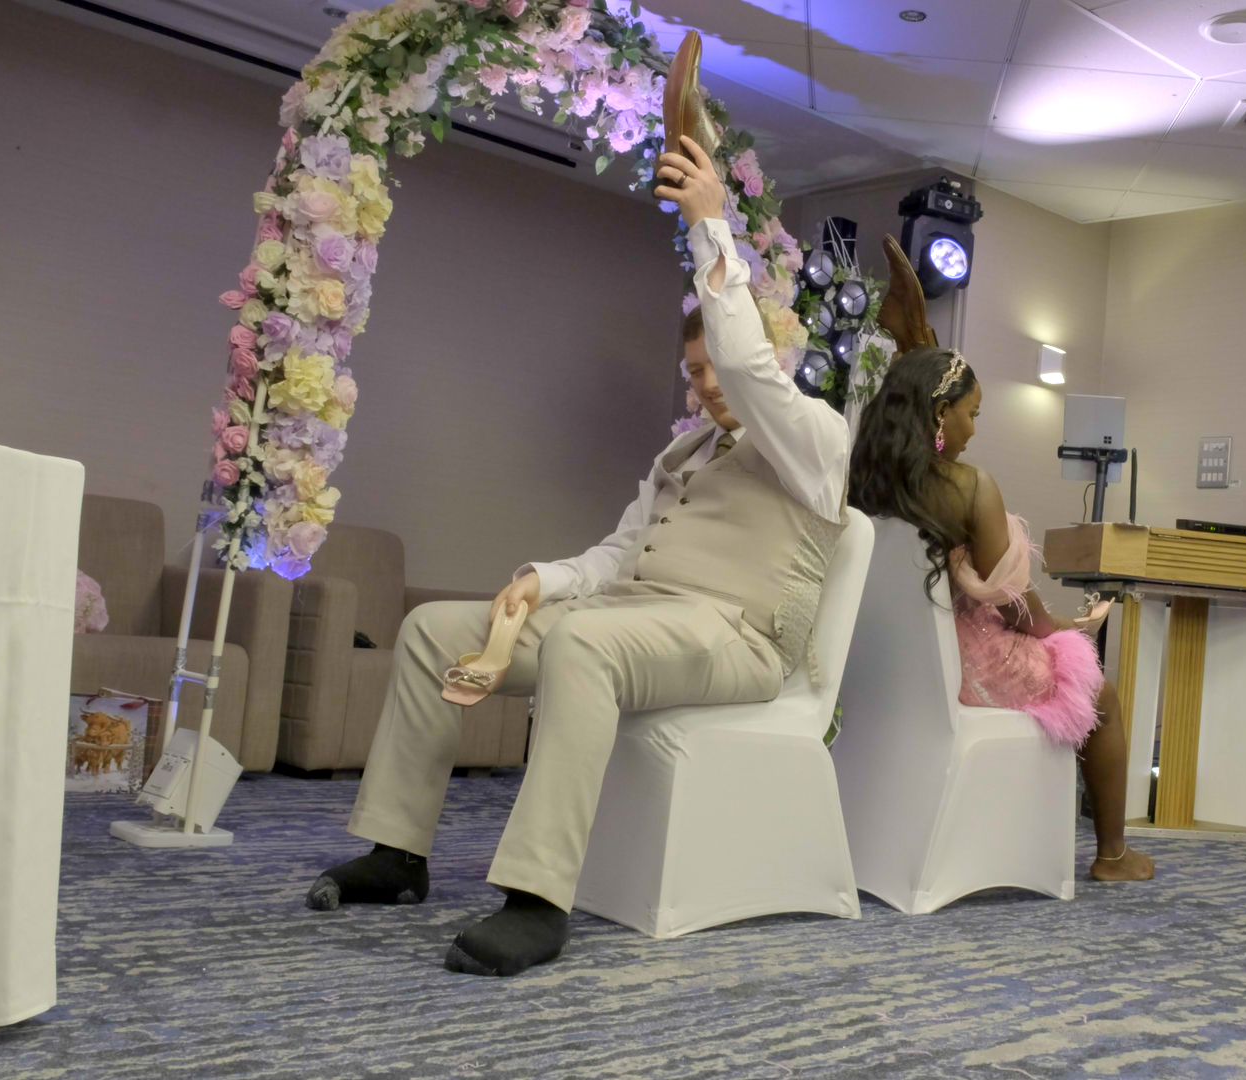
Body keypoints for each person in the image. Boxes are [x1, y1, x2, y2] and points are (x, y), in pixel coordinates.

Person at [302, 136, 852, 976]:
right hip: (636, 617)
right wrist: (541, 579)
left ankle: (538, 899)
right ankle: (398, 853)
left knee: (582, 643)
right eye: (691, 372)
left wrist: (712, 225)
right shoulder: (679, 457)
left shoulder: (812, 440)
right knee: (429, 629)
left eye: (715, 369)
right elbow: (617, 553)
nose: (706, 386)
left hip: (738, 642)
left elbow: (746, 365)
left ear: (771, 363)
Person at [849, 348, 1155, 882]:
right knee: (1101, 694)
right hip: (964, 660)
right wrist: (1066, 628)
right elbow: (1010, 603)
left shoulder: (864, 483)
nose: (973, 428)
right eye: (972, 413)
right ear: (940, 413)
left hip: (887, 662)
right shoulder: (967, 486)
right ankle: (1112, 857)